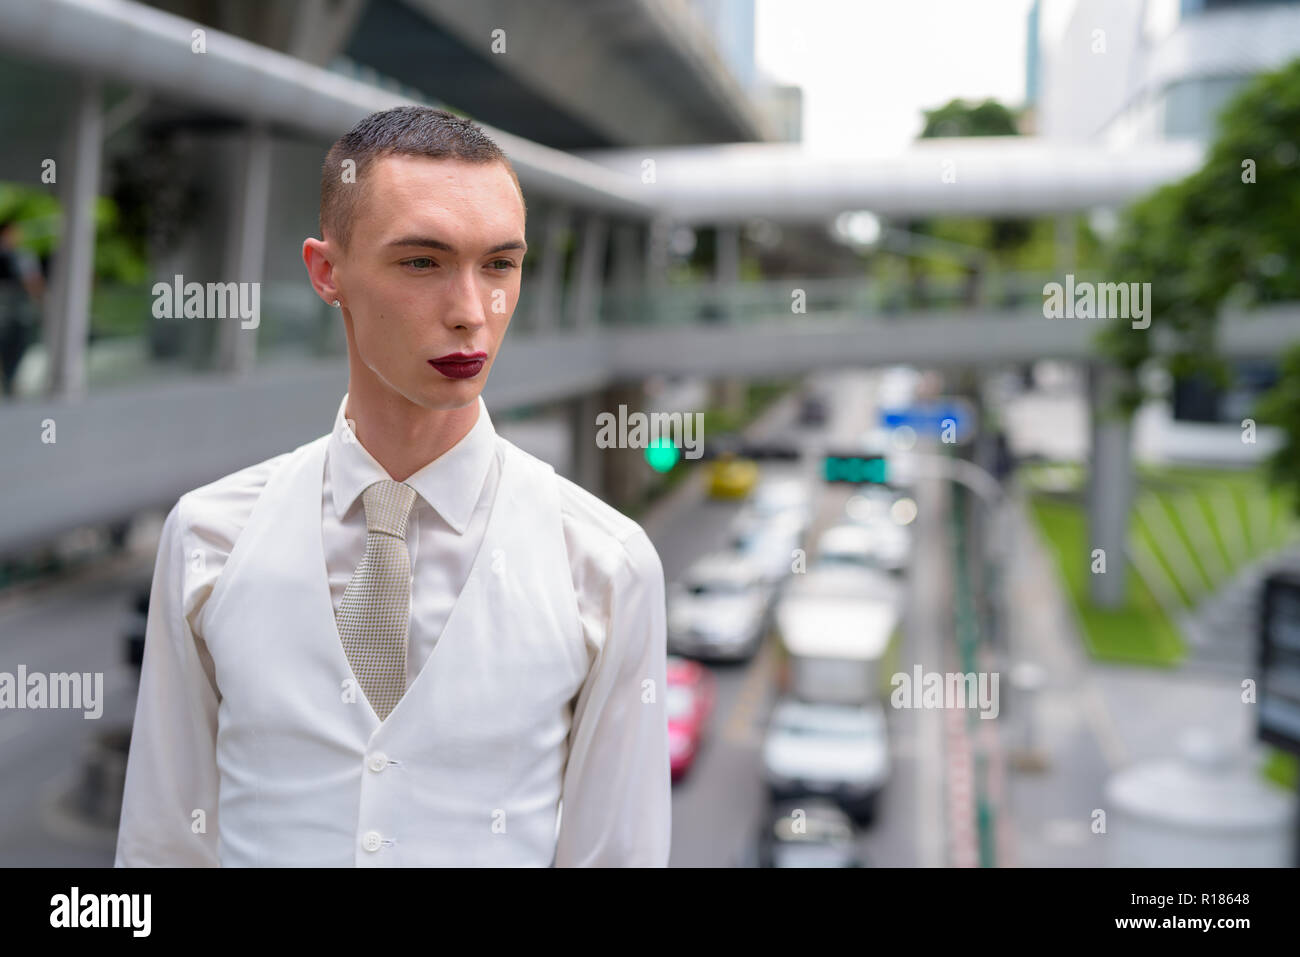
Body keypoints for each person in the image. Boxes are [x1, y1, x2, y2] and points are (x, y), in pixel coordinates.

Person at [115, 106, 671, 867]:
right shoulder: (210, 536)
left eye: (500, 264)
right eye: (422, 262)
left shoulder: (605, 564)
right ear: (326, 271)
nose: (472, 312)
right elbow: (161, 847)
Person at [0, 217, 44, 397]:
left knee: (19, 343)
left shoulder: (23, 256)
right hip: (4, 308)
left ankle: (10, 379)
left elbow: (33, 282)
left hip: (19, 309)